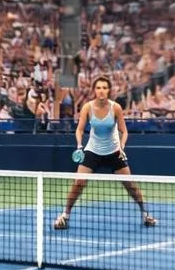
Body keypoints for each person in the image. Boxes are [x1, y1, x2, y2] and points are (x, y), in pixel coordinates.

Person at [53, 76, 157, 230]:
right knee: (78, 184)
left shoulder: (115, 108)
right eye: (98, 88)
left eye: (104, 88)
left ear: (109, 90)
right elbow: (80, 129)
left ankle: (146, 215)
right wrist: (79, 144)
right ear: (94, 90)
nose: (101, 91)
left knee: (131, 186)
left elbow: (124, 131)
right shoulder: (87, 107)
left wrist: (121, 146)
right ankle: (65, 216)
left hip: (114, 151)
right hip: (93, 150)